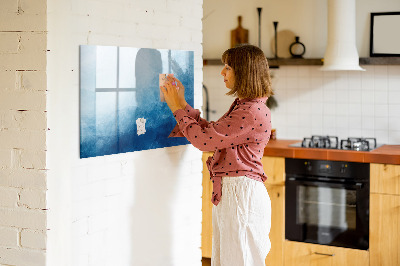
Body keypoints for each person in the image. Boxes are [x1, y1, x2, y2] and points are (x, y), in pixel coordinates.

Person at [161, 44, 273, 266]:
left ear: (244, 72)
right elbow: (211, 133)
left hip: (241, 195)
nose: (222, 72)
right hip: (236, 193)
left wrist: (176, 108)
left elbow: (204, 141)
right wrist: (182, 103)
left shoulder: (250, 111)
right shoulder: (246, 106)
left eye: (228, 67)